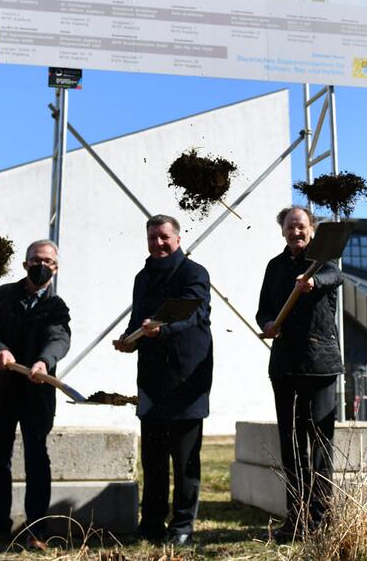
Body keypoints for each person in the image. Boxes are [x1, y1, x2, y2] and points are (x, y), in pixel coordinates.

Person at [113, 214, 212, 547]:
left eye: (164, 237)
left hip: (186, 378)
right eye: (152, 237)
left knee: (184, 460)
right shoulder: (143, 277)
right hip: (152, 380)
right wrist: (129, 339)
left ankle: (182, 525)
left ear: (178, 239)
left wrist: (161, 329)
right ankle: (152, 523)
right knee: (153, 459)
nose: (158, 243)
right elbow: (137, 318)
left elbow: (194, 315)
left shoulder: (194, 274)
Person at [0, 240, 71, 551]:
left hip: (37, 392)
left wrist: (44, 361)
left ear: (55, 268)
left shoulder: (57, 306)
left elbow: (59, 337)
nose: (40, 266)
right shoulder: (5, 295)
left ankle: (36, 530)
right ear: (25, 263)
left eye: (47, 261)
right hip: (3, 389)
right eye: (35, 260)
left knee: (37, 459)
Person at [256, 206, 342, 541]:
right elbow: (264, 307)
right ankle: (297, 519)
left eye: (301, 226)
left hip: (320, 366)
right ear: (283, 231)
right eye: (290, 227)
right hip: (285, 366)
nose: (296, 232)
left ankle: (321, 519)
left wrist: (313, 281)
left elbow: (336, 278)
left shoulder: (323, 260)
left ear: (312, 229)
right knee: (291, 446)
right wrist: (266, 323)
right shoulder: (275, 267)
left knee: (320, 445)